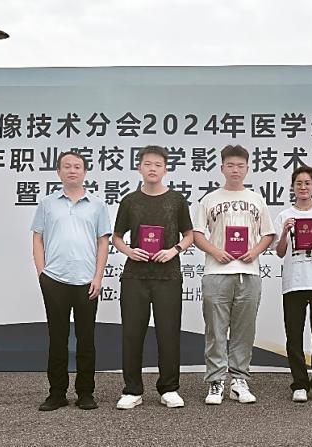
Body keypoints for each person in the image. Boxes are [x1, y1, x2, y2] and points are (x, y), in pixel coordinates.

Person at [111, 146, 194, 410]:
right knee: (131, 334)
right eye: (148, 164)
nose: (153, 169)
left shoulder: (176, 200)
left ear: (166, 169)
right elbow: (116, 237)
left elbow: (189, 235)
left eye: (158, 164)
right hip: (135, 276)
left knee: (168, 333)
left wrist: (174, 250)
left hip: (168, 276)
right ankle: (132, 390)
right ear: (139, 168)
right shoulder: (130, 201)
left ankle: (169, 388)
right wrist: (129, 251)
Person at [192, 144, 276, 405]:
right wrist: (215, 251)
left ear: (247, 168)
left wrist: (255, 252)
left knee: (244, 330)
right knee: (215, 329)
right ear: (222, 168)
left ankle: (239, 380)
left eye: (240, 166)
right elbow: (197, 234)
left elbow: (268, 234)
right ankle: (216, 381)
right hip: (216, 272)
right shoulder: (209, 199)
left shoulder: (256, 199)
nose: (235, 170)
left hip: (248, 272)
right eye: (230, 165)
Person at [30, 151, 112, 411]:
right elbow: (37, 238)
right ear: (59, 172)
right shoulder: (47, 204)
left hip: (87, 281)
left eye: (77, 167)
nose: (72, 170)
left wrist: (98, 276)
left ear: (85, 172)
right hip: (54, 280)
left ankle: (86, 393)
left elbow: (103, 242)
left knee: (86, 339)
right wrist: (42, 273)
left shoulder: (97, 205)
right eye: (67, 166)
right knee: (57, 339)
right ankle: (56, 393)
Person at [273, 165, 312, 403]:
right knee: (294, 335)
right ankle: (299, 383)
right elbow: (280, 252)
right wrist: (284, 232)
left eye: (307, 183)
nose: (303, 187)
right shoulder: (284, 215)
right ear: (292, 187)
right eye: (298, 183)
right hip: (294, 283)